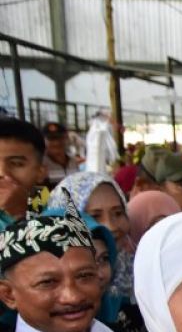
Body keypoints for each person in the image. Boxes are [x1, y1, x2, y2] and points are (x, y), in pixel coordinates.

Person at [51, 171, 136, 305]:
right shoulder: (51, 286)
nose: (111, 226)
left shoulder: (136, 271)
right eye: (94, 217)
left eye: (118, 213)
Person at [0, 117, 47, 231]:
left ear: (40, 172)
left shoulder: (59, 207)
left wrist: (20, 213)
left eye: (16, 163)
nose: (2, 173)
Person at [41, 122, 77, 188]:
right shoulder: (40, 164)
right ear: (43, 141)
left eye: (60, 138)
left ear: (67, 139)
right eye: (51, 139)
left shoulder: (73, 161)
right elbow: (36, 195)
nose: (56, 143)